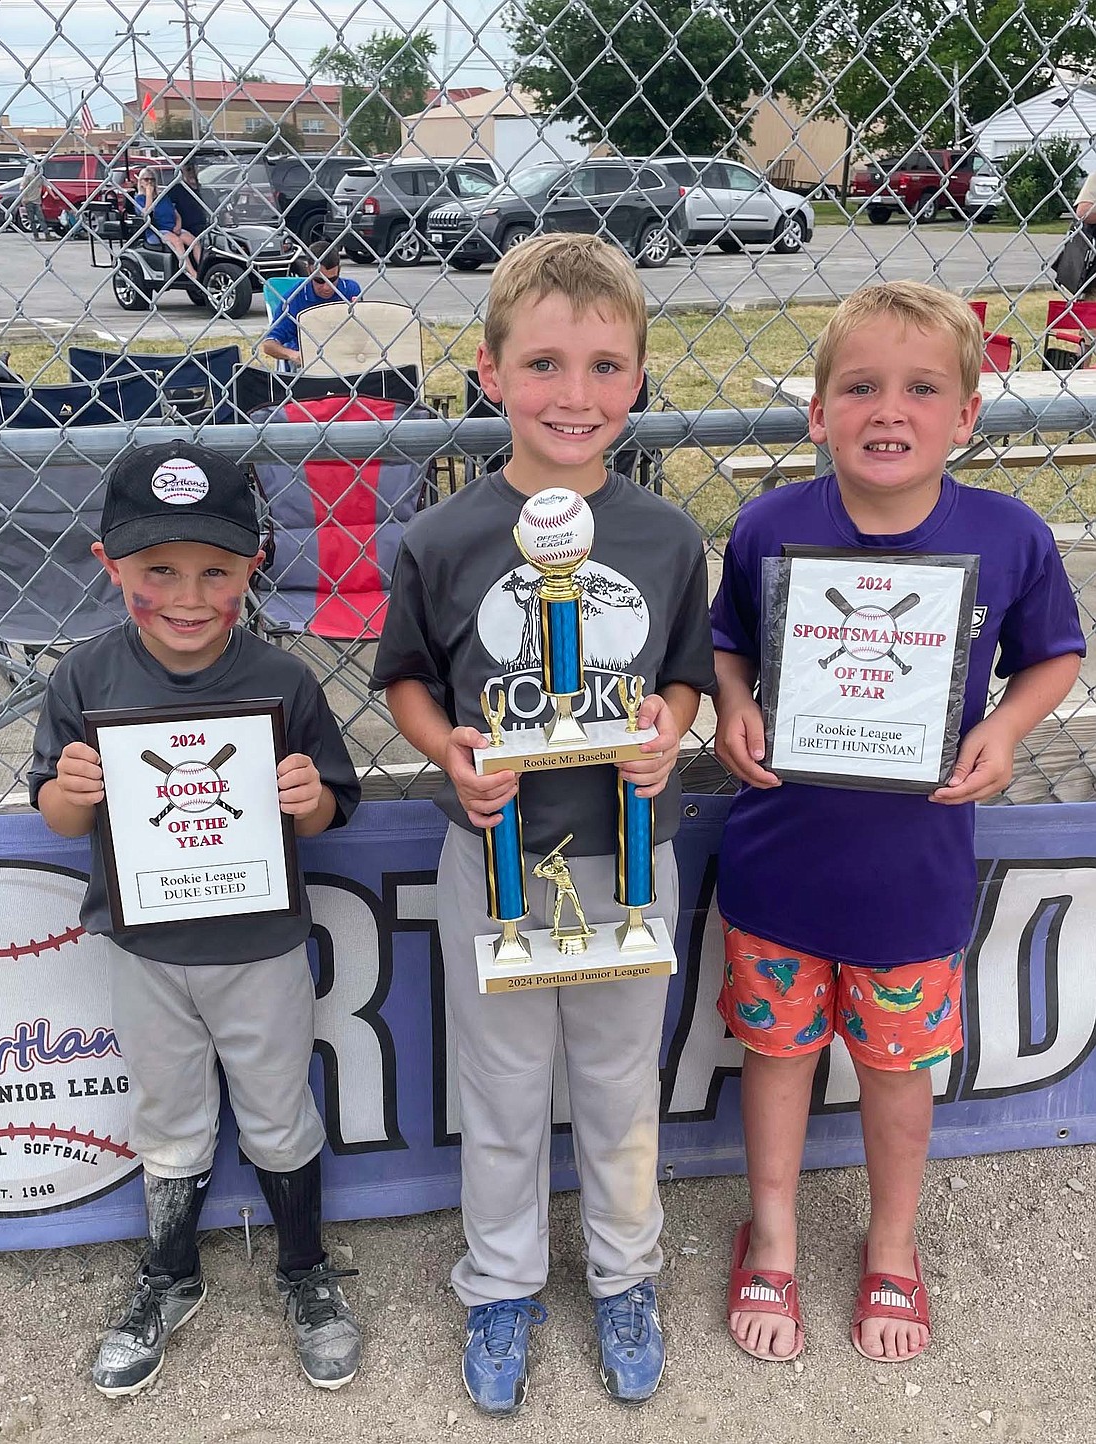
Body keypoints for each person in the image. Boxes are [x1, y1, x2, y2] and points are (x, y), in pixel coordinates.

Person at [372, 233, 715, 1414]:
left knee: (621, 1083)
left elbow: (679, 679)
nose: (575, 395)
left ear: (637, 378)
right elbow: (408, 678)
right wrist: (447, 751)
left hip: (630, 854)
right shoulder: (443, 537)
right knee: (505, 1086)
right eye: (545, 364)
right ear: (488, 370)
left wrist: (666, 729)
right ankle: (502, 1281)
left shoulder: (666, 539)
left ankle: (624, 1273)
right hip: (495, 857)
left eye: (606, 367)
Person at [711, 280, 1084, 1366]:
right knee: (775, 1057)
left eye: (921, 388)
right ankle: (770, 1233)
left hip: (912, 876)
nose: (888, 409)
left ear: (965, 415)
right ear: (817, 408)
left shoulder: (1005, 534)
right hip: (780, 863)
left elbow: (1053, 653)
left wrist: (1007, 726)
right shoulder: (769, 524)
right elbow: (726, 639)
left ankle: (891, 1245)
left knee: (892, 1069)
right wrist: (733, 702)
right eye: (859, 385)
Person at [28, 440, 364, 1397]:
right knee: (169, 1117)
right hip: (147, 946)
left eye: (215, 571)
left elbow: (333, 803)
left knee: (276, 1110)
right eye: (157, 571)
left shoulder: (284, 680)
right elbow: (56, 809)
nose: (186, 595)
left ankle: (304, 1270)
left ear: (253, 567)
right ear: (110, 565)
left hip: (257, 945)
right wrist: (72, 789)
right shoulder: (85, 680)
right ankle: (171, 1276)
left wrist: (307, 798)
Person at [261, 247, 363, 369]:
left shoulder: (351, 289)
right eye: (319, 280)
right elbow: (268, 344)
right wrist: (293, 355)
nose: (327, 287)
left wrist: (361, 315)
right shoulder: (293, 298)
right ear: (309, 271)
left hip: (345, 357)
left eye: (332, 280)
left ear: (339, 271)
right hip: (308, 362)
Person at [133, 169, 201, 281]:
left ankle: (201, 268)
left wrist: (178, 225)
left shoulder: (163, 197)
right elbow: (147, 213)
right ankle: (189, 270)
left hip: (173, 227)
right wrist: (149, 194)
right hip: (157, 230)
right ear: (140, 182)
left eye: (152, 179)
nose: (149, 182)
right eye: (146, 179)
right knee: (177, 242)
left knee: (194, 241)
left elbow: (176, 214)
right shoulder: (139, 199)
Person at [18, 161, 53, 241]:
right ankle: (39, 235)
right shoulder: (31, 177)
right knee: (35, 219)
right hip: (30, 201)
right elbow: (22, 188)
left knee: (38, 219)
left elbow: (47, 187)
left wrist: (54, 196)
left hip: (35, 201)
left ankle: (43, 235)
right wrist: (24, 198)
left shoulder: (40, 178)